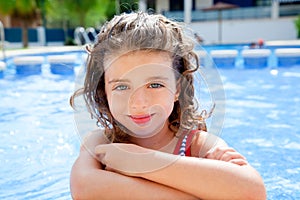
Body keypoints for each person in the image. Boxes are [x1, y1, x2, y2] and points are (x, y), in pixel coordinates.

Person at [70, 11, 266, 200]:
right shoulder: (101, 142)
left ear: (177, 89)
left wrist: (140, 160)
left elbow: (253, 192)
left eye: (155, 85)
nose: (139, 103)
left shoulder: (198, 146)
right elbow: (84, 189)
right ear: (105, 92)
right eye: (121, 86)